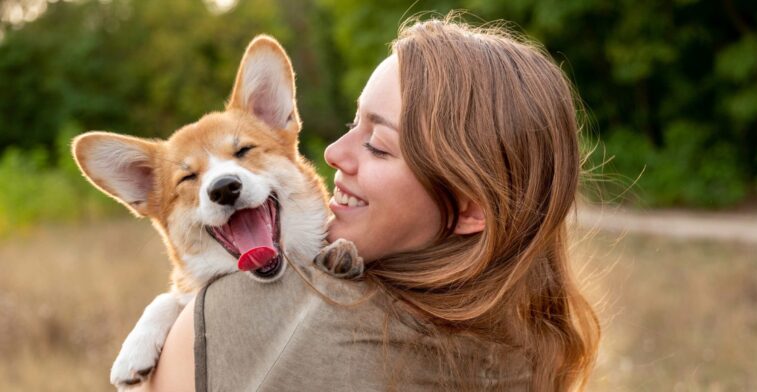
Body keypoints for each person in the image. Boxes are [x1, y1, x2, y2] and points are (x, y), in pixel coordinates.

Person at [142, 15, 599, 392]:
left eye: (377, 144)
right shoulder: (528, 351)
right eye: (351, 123)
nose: (332, 153)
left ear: (469, 208)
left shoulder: (244, 313)